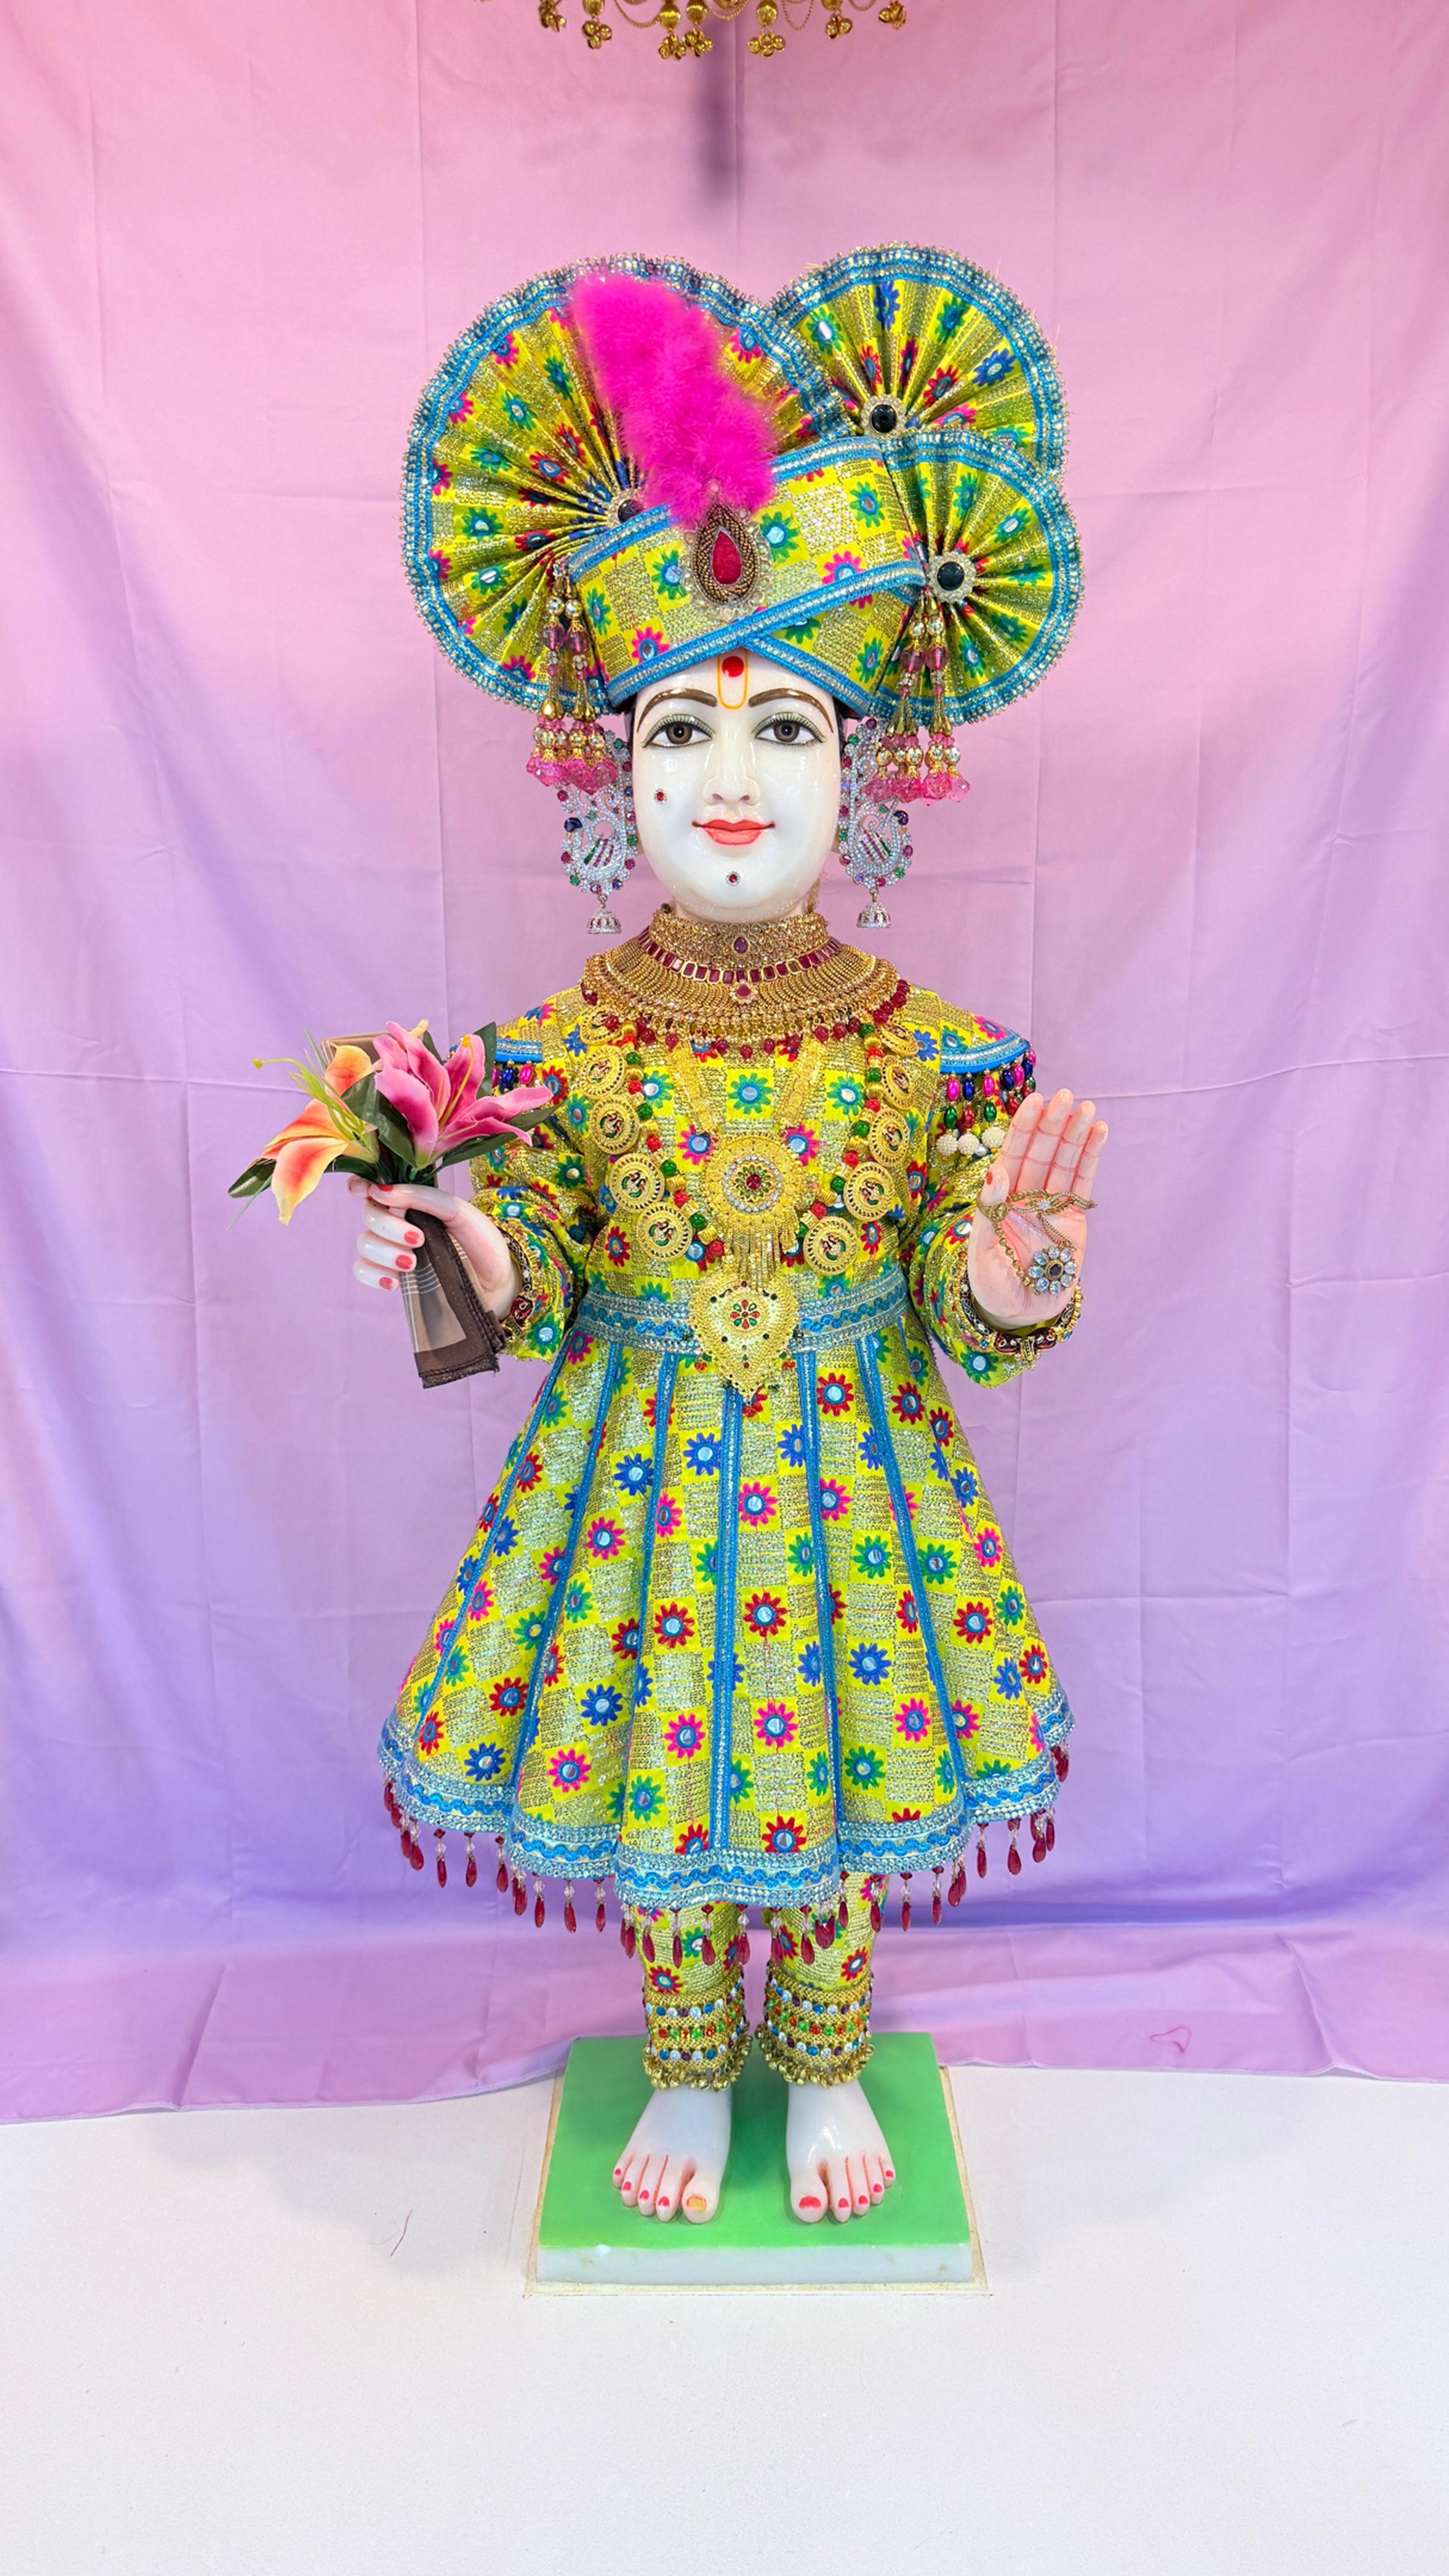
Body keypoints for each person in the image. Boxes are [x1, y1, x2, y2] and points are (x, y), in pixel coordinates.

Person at [353, 249, 1105, 2227]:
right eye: (681, 729)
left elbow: (970, 1293)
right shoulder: (555, 1051)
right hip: (637, 1465)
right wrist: (472, 1248)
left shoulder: (935, 1052)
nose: (734, 783)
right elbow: (533, 1257)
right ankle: (691, 2070)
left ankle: (828, 2054)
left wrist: (1009, 1265)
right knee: (658, 1753)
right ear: (614, 772)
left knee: (834, 1760)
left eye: (788, 734)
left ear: (867, 769)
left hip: (861, 1466)